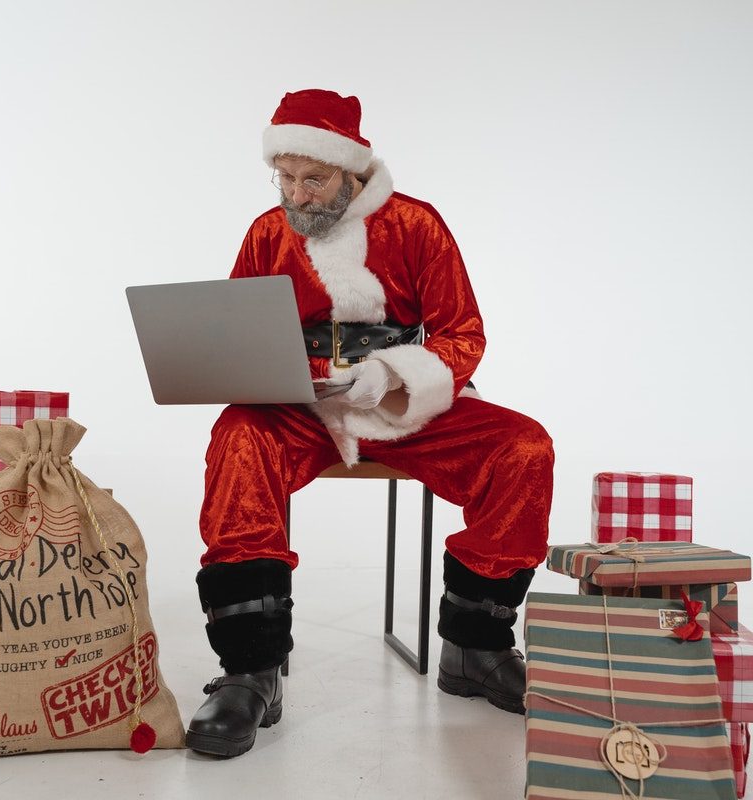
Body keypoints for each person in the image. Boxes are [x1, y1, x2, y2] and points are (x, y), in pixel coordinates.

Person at [185, 89, 554, 758]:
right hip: (297, 407)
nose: (296, 194)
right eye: (284, 177)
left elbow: (463, 333)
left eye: (313, 179)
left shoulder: (417, 224)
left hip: (402, 402)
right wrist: (274, 375)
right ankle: (250, 670)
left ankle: (475, 647)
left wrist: (393, 373)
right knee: (238, 440)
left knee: (523, 448)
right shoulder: (267, 233)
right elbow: (237, 333)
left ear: (351, 169)